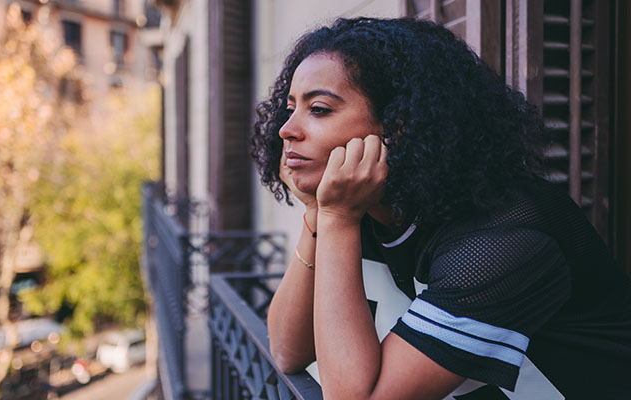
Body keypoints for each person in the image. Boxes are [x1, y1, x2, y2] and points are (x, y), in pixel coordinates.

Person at [250, 17, 631, 399]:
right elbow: (287, 350)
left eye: (318, 109)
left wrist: (337, 218)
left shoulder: (505, 240)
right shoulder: (365, 206)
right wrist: (318, 215)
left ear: (397, 126)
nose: (287, 129)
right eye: (290, 107)